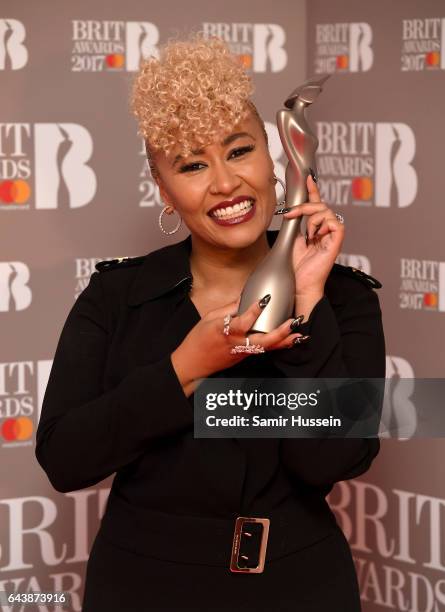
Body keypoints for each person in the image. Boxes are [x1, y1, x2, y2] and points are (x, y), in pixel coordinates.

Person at [35, 35, 385, 611]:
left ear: (278, 163)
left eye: (240, 150)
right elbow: (66, 460)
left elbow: (334, 460)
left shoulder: (342, 298)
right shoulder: (117, 297)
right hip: (143, 589)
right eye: (192, 164)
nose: (225, 183)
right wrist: (185, 369)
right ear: (166, 192)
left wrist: (305, 301)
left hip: (301, 588)